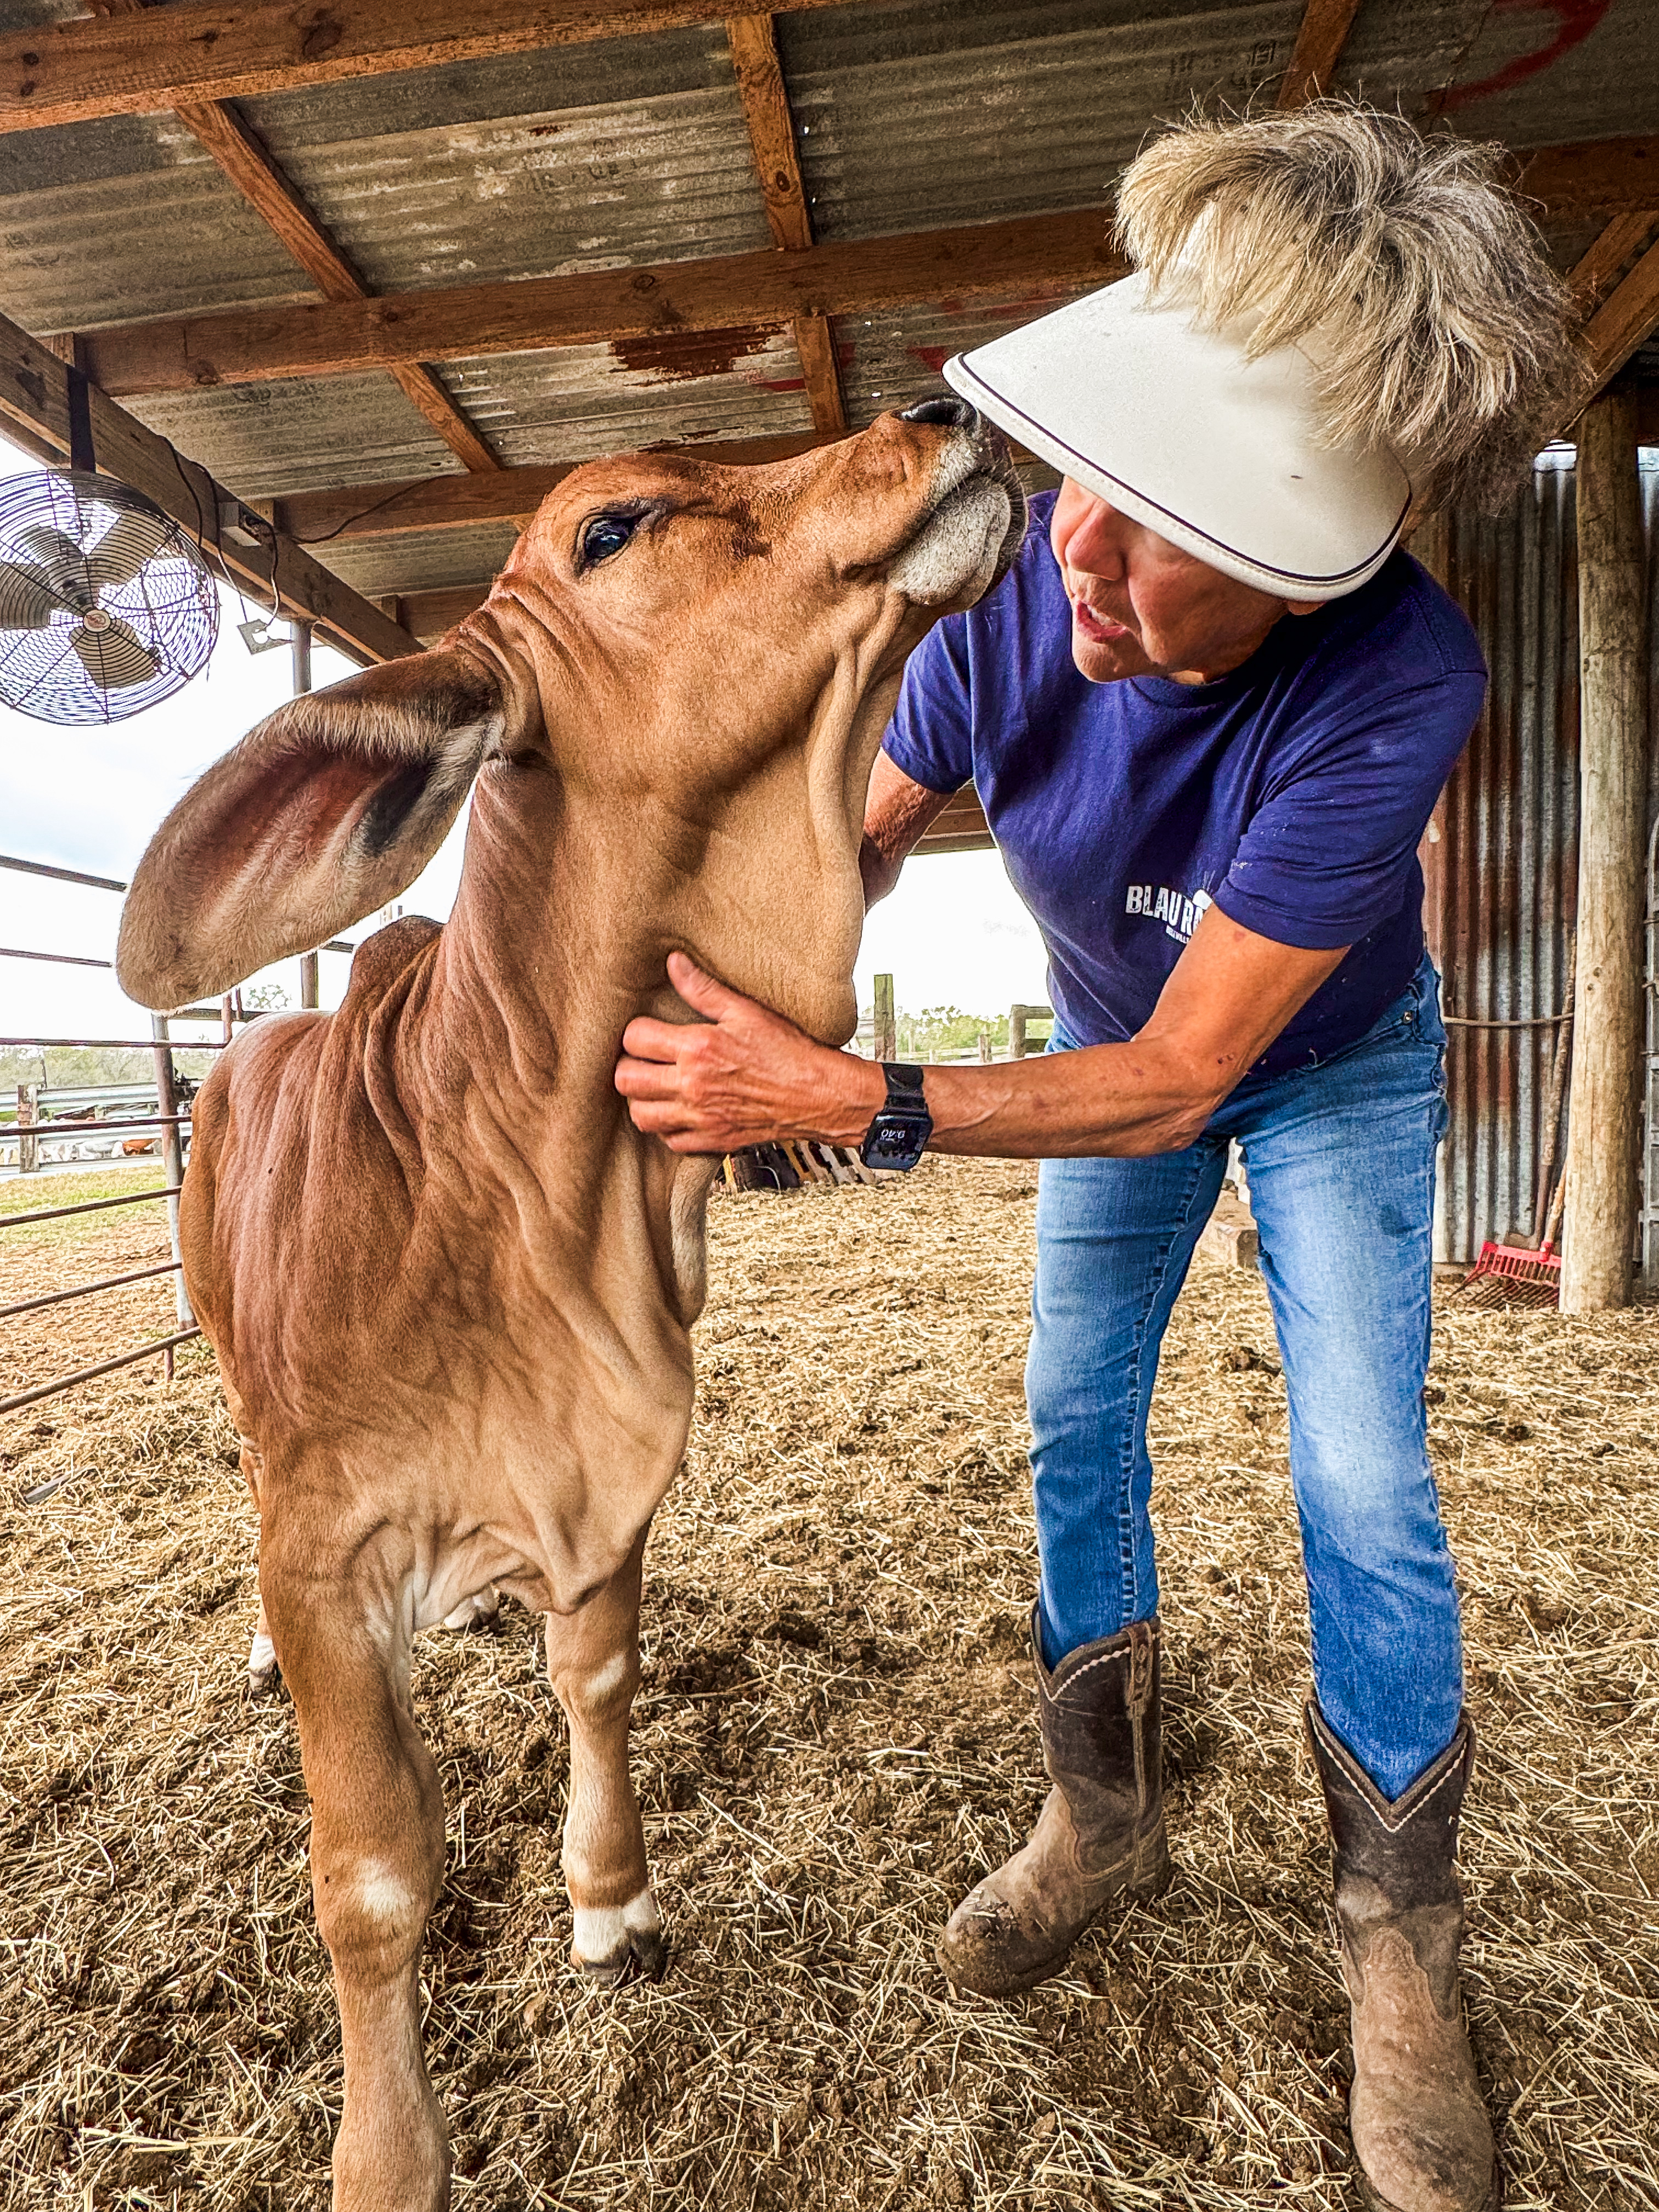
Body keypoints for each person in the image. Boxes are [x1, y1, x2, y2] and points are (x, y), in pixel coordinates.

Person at [615, 103, 1583, 2212]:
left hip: (1319, 1062)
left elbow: (1182, 1070)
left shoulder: (1394, 677)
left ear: (1297, 567)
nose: (1076, 559)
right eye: (1089, 498)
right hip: (1094, 1037)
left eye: (1158, 544)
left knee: (1361, 1468)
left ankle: (1397, 1953)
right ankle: (1104, 1811)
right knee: (1073, 1414)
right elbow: (850, 841)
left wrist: (850, 1107)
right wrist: (732, 981)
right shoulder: (1029, 593)